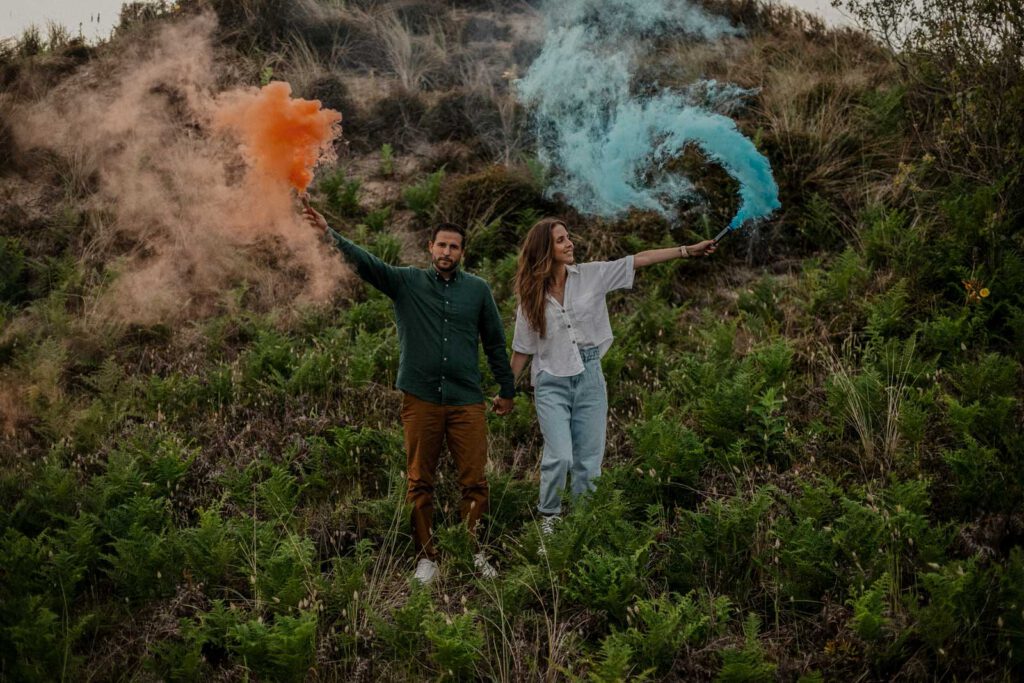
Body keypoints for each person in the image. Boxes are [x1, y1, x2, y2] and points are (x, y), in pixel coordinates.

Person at [302, 198, 516, 584]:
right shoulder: (407, 282)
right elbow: (367, 264)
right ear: (429, 248)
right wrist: (328, 234)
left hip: (467, 399)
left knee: (475, 481)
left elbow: (495, 343)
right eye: (441, 245)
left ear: (463, 253)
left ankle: (472, 550)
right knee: (420, 481)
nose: (446, 252)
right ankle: (427, 557)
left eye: (454, 246)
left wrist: (507, 388)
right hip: (421, 399)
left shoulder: (478, 291)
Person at [509, 218, 716, 531]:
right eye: (561, 240)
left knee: (589, 461)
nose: (570, 244)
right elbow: (522, 350)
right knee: (560, 456)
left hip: (590, 375)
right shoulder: (530, 296)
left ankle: (582, 526)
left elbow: (640, 259)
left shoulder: (591, 275)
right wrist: (506, 391)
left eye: (568, 237)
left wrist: (687, 251)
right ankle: (549, 519)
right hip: (551, 380)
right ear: (544, 249)